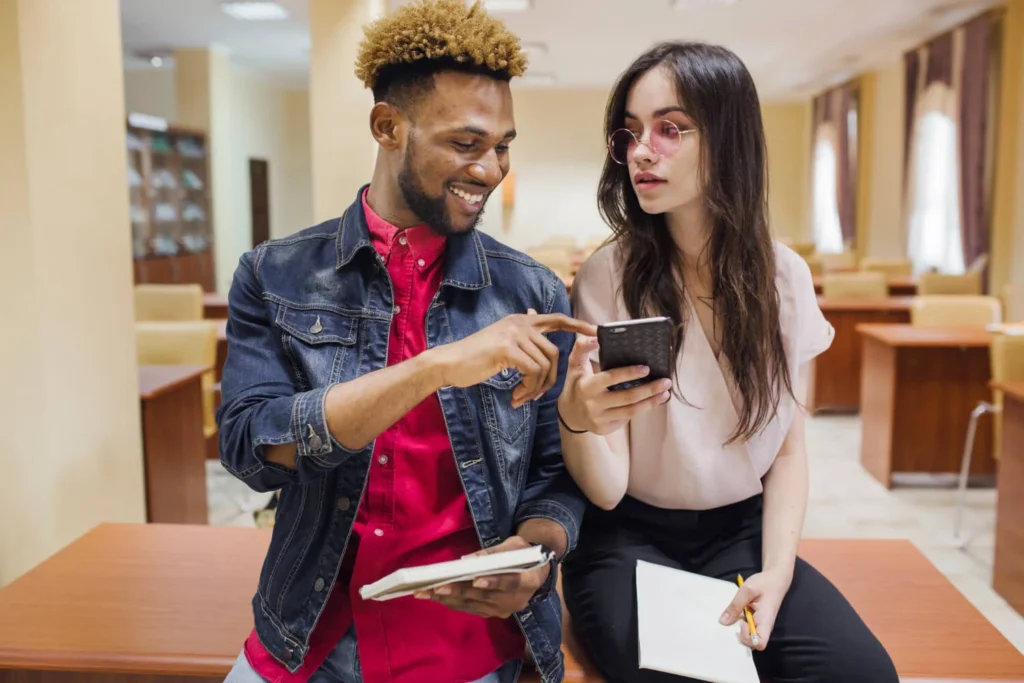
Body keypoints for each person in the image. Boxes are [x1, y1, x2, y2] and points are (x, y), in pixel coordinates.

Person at [217, 2, 592, 682]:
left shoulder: (533, 291)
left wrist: (535, 561)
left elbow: (555, 471)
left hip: (471, 647)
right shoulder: (273, 275)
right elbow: (252, 449)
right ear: (388, 126)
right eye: (466, 143)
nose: (490, 169)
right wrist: (436, 367)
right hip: (309, 641)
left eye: (503, 144)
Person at [554, 42, 899, 683]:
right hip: (628, 541)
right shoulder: (610, 273)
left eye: (671, 128)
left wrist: (777, 572)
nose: (641, 151)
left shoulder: (784, 279)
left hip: (739, 533)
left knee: (862, 675)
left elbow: (788, 454)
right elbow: (607, 486)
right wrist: (576, 420)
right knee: (696, 677)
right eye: (629, 133)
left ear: (728, 138)